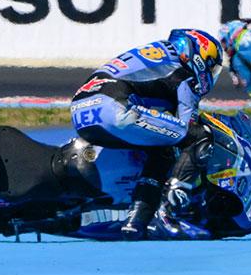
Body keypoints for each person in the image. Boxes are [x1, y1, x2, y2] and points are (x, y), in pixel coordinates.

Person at [69, 27, 229, 238]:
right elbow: (187, 123)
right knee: (199, 137)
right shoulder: (184, 73)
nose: (211, 75)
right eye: (211, 68)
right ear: (199, 58)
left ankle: (136, 222)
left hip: (80, 111)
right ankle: (169, 212)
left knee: (161, 148)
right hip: (114, 109)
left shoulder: (157, 55)